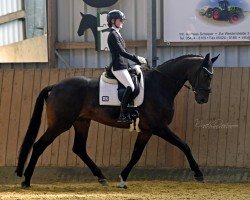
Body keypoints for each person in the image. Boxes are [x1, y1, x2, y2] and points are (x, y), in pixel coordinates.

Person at [107, 9, 147, 123]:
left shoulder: (117, 34)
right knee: (130, 87)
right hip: (118, 67)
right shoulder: (112, 35)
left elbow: (124, 53)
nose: (123, 22)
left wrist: (134, 63)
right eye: (121, 20)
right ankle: (122, 114)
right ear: (113, 21)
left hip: (124, 65)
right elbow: (121, 52)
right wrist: (136, 58)